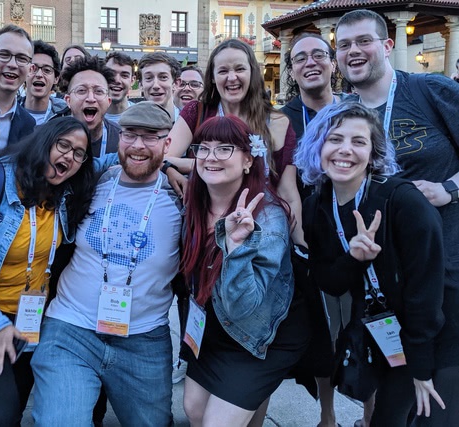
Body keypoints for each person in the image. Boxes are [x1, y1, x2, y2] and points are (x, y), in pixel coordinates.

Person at [296, 101, 459, 427]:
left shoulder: (404, 201)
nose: (345, 150)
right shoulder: (316, 206)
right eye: (335, 139)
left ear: (373, 154)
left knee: (433, 420)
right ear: (319, 146)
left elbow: (425, 291)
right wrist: (353, 259)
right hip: (386, 331)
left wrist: (421, 368)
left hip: (440, 331)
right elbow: (330, 281)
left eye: (359, 142)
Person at [31, 101, 182, 426]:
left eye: (151, 136)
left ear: (167, 144)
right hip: (71, 330)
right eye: (130, 135)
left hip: (143, 338)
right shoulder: (93, 179)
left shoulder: (181, 197)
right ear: (119, 138)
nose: (138, 145)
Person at [0, 116, 96, 426]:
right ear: (43, 142)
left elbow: (127, 159)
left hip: (28, 320)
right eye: (62, 145)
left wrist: (173, 167)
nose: (69, 157)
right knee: (0, 414)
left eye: (79, 153)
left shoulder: (65, 193)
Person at [180, 115, 307, 427]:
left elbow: (244, 307)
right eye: (203, 148)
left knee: (215, 423)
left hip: (259, 335)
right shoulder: (194, 203)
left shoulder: (269, 220)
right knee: (194, 410)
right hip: (214, 328)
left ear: (249, 160)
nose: (210, 157)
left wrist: (236, 250)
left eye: (225, 149)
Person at [165, 38, 303, 247]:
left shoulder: (277, 122)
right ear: (212, 77)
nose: (232, 77)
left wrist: (300, 244)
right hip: (207, 223)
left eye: (240, 69)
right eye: (223, 71)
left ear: (252, 73)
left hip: (262, 227)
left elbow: (288, 191)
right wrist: (178, 168)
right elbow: (165, 157)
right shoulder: (198, 112)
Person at [280, 32, 345, 427]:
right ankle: (328, 414)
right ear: (291, 70)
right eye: (300, 57)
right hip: (307, 240)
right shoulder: (281, 118)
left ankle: (370, 413)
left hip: (355, 231)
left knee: (362, 327)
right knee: (322, 335)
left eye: (319, 55)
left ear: (332, 63)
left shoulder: (357, 110)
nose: (310, 63)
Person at [58, 56, 120, 157]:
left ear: (109, 101)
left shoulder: (121, 139)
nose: (91, 98)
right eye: (81, 90)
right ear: (68, 100)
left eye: (98, 91)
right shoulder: (49, 137)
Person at [20, 40, 67, 126]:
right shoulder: (9, 112)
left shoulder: (67, 115)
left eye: (47, 70)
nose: (39, 75)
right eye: (33, 68)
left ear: (56, 79)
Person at [138, 52, 181, 120]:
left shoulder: (191, 124)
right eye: (149, 78)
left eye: (163, 77)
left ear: (176, 83)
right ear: (141, 85)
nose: (156, 85)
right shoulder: (130, 125)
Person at [104, 51, 136, 123]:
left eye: (124, 75)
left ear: (132, 80)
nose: (117, 80)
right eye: (111, 74)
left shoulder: (142, 115)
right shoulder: (91, 117)